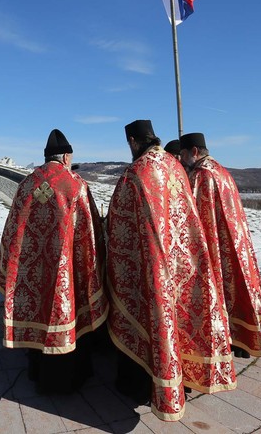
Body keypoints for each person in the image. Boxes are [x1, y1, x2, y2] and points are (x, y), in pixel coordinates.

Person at [106, 120, 235, 421]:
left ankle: (141, 385)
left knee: (150, 321)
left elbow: (118, 226)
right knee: (177, 323)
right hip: (182, 264)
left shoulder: (134, 173)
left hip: (149, 267)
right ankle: (180, 377)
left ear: (134, 142)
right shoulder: (177, 167)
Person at [0, 129, 107, 393]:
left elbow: (11, 231)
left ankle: (37, 370)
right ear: (66, 157)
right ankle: (70, 378)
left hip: (31, 270)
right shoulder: (76, 185)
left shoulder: (26, 185)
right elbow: (90, 234)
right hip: (66, 271)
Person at [179, 133, 261, 358]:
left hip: (215, 244)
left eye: (183, 155)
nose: (181, 160)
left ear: (194, 152)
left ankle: (224, 339)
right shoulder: (223, 171)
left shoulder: (201, 175)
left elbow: (192, 216)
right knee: (238, 288)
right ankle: (243, 340)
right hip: (234, 241)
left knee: (220, 291)